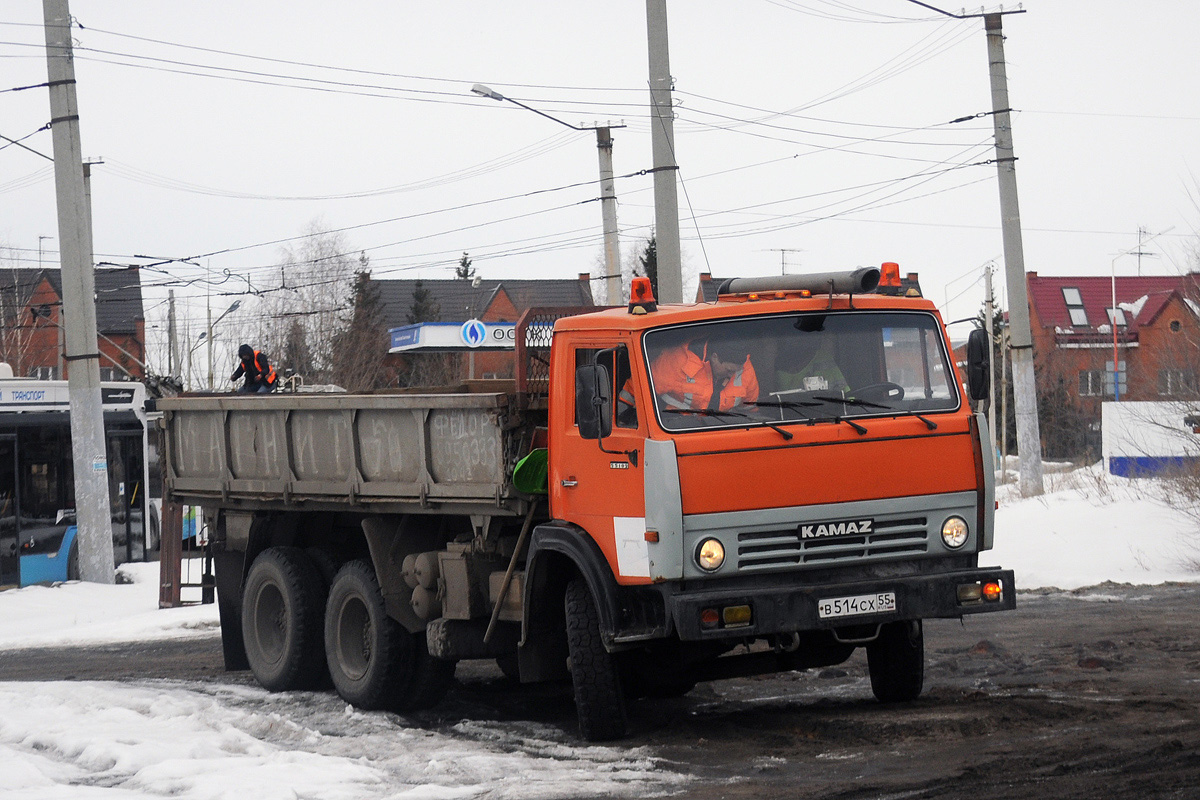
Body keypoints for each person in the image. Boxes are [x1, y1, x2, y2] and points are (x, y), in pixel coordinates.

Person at [651, 336, 759, 413]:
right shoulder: (677, 361)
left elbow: (750, 411)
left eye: (736, 371)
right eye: (729, 370)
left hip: (723, 432)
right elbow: (638, 392)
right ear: (715, 357)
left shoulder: (745, 369)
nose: (732, 375)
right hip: (676, 430)